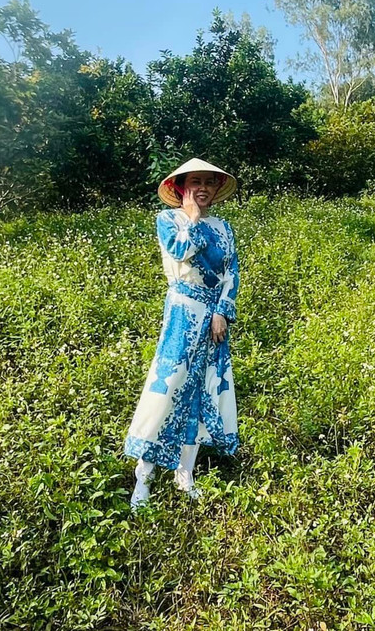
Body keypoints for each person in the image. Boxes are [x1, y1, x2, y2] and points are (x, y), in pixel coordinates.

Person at [124, 157, 240, 509]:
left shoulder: (224, 227)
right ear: (181, 187)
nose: (203, 188)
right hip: (182, 312)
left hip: (213, 319)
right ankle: (144, 477)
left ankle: (184, 474)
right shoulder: (168, 220)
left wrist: (222, 312)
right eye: (195, 182)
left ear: (217, 188)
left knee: (204, 389)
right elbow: (180, 251)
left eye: (209, 182)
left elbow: (232, 272)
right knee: (168, 386)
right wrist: (191, 218)